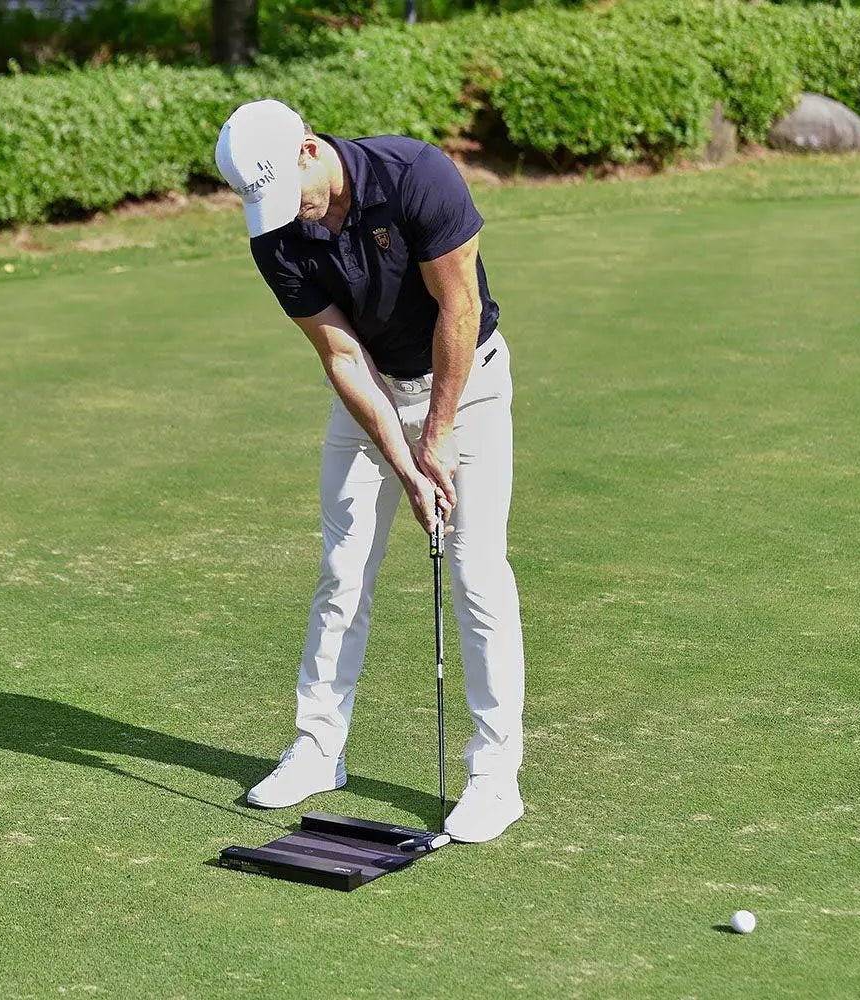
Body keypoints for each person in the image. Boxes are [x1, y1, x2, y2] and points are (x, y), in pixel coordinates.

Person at [215, 99, 525, 843]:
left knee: (476, 571)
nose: (300, 219)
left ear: (310, 150)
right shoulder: (275, 231)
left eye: (300, 198)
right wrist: (406, 465)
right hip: (374, 391)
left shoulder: (416, 175)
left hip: (466, 385)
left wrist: (439, 439)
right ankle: (319, 748)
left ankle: (495, 774)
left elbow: (458, 308)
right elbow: (342, 355)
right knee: (343, 566)